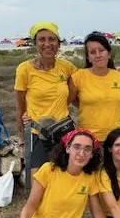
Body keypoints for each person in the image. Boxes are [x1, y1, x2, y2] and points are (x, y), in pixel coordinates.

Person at [14, 21, 78, 173]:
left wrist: (116, 70)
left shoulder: (67, 67)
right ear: (35, 43)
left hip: (65, 131)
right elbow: (20, 105)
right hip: (37, 133)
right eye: (42, 39)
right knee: (37, 180)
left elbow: (86, 82)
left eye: (52, 39)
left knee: (66, 178)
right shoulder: (24, 69)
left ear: (59, 43)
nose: (47, 44)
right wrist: (22, 135)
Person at [69, 32, 120, 143]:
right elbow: (67, 101)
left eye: (101, 50)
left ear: (109, 54)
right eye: (93, 52)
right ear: (88, 57)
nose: (98, 55)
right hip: (88, 140)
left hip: (116, 139)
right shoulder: (78, 76)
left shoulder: (119, 75)